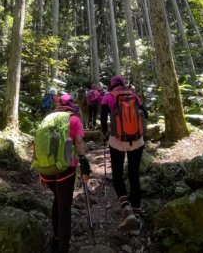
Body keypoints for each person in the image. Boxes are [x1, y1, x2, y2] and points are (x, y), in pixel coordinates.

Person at [39, 93, 90, 253]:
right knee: (65, 209)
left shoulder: (47, 119)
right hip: (65, 170)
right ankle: (63, 248)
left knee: (57, 200)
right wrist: (83, 163)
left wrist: (40, 172)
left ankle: (55, 239)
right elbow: (79, 142)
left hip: (46, 169)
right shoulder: (74, 119)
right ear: (72, 104)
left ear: (58, 104)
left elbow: (40, 145)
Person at [100, 75, 148, 235]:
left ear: (112, 85)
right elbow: (145, 114)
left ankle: (126, 207)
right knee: (134, 176)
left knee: (118, 175)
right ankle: (136, 216)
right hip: (137, 141)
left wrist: (105, 133)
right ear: (124, 84)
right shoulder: (134, 95)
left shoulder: (108, 97)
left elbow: (102, 117)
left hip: (117, 141)